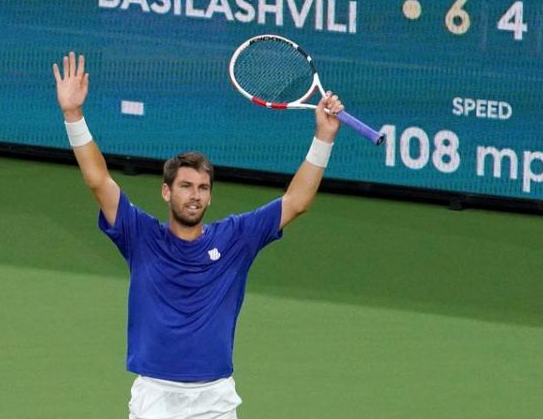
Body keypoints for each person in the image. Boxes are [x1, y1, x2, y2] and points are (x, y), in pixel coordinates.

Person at [52, 51, 343, 419]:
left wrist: (323, 137)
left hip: (215, 401)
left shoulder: (236, 238)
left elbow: (297, 201)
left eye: (203, 188)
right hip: (155, 396)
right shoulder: (140, 235)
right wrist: (73, 115)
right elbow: (98, 180)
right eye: (186, 186)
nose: (195, 195)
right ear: (166, 191)